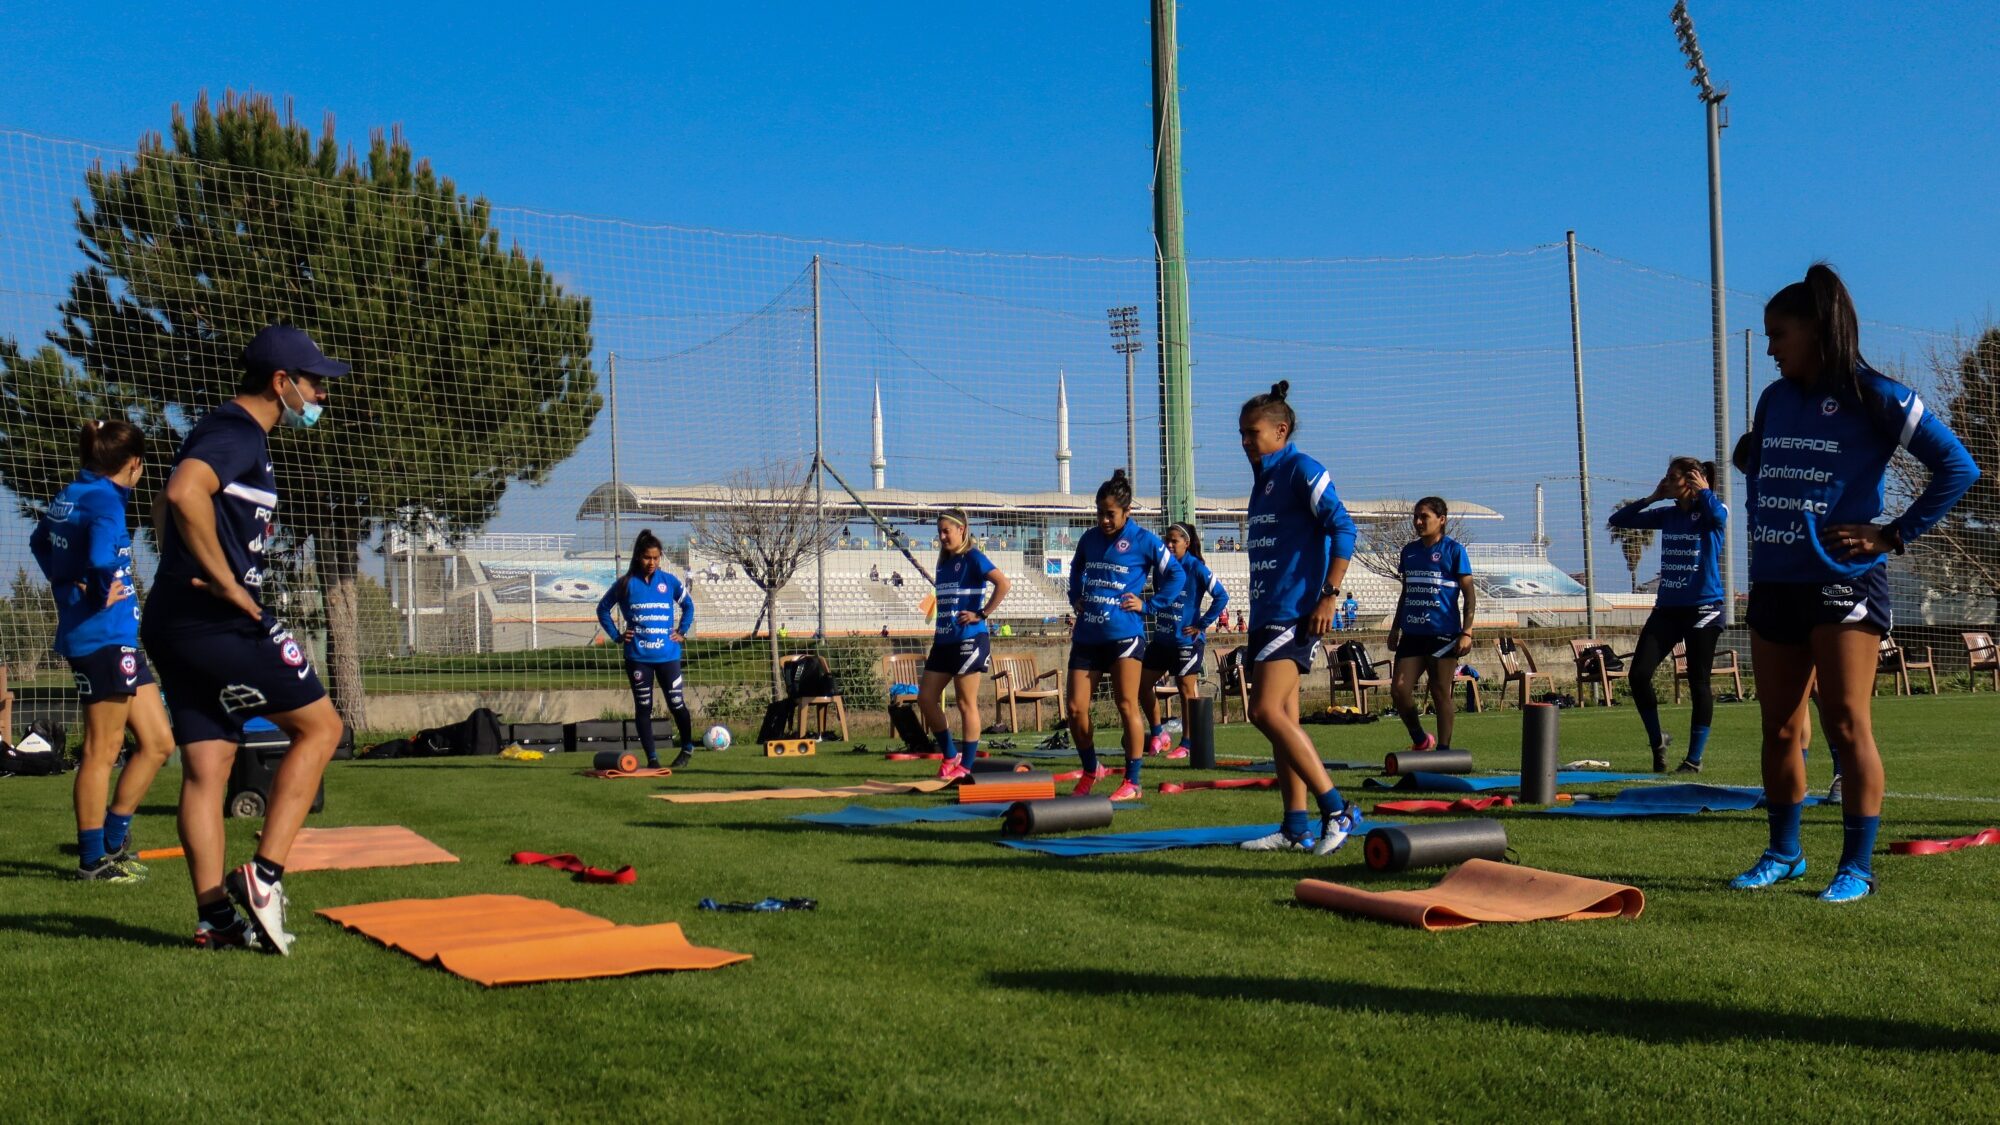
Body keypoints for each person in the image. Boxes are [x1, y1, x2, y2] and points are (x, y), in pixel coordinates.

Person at [1730, 264, 1976, 903]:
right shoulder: (1773, 399)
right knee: (1780, 727)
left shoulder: (1878, 394)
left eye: (1779, 333)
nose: (1770, 347)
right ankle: (1783, 853)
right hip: (1776, 585)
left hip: (1845, 583)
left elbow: (1958, 465)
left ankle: (1856, 867)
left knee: (1845, 721)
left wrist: (1893, 533)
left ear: (1816, 331)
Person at [142, 323, 350, 952]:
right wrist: (223, 579)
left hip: (174, 621)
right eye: (313, 383)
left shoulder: (225, 433)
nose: (319, 396)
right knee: (322, 729)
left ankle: (216, 918)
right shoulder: (236, 432)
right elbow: (181, 492)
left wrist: (181, 563)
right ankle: (264, 876)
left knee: (209, 766)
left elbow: (163, 503)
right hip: (220, 622)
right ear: (279, 383)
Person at [28, 420, 175, 882]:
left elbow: (38, 542)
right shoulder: (107, 503)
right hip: (102, 639)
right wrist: (94, 591)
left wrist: (65, 584)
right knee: (102, 749)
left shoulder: (74, 492)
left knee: (157, 742)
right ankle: (92, 861)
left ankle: (113, 840)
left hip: (119, 640)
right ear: (133, 464)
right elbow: (99, 559)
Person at [1233, 382, 1363, 855]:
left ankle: (1337, 809)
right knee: (1282, 716)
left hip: (1295, 612)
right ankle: (1295, 826)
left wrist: (1329, 595)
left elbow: (1344, 528)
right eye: (1242, 434)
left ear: (1281, 430)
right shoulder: (1262, 482)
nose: (1245, 441)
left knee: (1262, 711)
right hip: (1267, 612)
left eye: (1253, 432)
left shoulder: (1301, 469)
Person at [1065, 470, 1184, 801]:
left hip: (1124, 637)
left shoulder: (1144, 540)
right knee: (1075, 708)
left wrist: (1150, 604)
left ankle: (1132, 781)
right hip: (1088, 635)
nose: (1103, 520)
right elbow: (1075, 570)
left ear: (1127, 511)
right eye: (1099, 512)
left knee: (1126, 704)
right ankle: (1092, 769)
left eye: (1110, 514)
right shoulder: (1089, 539)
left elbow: (1176, 574)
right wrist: (1075, 596)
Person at [1608, 457, 1728, 773]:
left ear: (1690, 481)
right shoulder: (1668, 514)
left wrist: (1704, 491)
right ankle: (1658, 740)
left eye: (1671, 477)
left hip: (1704, 609)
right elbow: (1619, 519)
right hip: (1668, 611)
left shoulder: (1714, 510)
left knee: (1698, 680)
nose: (1665, 481)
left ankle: (1694, 759)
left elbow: (1717, 517)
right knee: (1638, 675)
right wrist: (1651, 498)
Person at [918, 509, 1011, 781]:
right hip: (943, 641)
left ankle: (967, 765)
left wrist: (982, 613)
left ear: (962, 530)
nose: (943, 536)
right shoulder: (942, 563)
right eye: (940, 532)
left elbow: (1003, 584)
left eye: (947, 530)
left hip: (969, 640)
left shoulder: (973, 557)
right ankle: (949, 755)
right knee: (926, 698)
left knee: (965, 702)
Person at [596, 529, 698, 770]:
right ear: (637, 557)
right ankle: (652, 758)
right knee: (644, 707)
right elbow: (602, 609)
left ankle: (687, 747)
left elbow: (689, 606)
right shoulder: (625, 584)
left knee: (677, 704)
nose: (652, 563)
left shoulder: (669, 582)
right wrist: (617, 636)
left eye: (656, 558)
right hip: (638, 658)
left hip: (668, 656)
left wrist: (681, 631)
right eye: (647, 558)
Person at [1384, 497, 1477, 753]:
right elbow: (1406, 592)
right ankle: (1421, 740)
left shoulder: (1454, 551)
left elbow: (1469, 595)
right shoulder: (1409, 552)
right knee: (1400, 691)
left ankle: (1444, 751)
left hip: (1443, 635)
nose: (1418, 521)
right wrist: (1395, 628)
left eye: (1424, 516)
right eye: (1416, 516)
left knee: (1439, 690)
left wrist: (1466, 632)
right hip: (1412, 634)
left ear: (1441, 519)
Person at [1139, 522, 1228, 759]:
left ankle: (1187, 743)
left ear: (1186, 543)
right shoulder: (1160, 568)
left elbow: (1222, 596)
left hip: (1186, 642)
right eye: (1166, 540)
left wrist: (1201, 624)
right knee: (1142, 685)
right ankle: (1159, 733)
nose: (1169, 545)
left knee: (1186, 689)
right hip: (1161, 640)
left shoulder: (1196, 567)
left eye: (1174, 541)